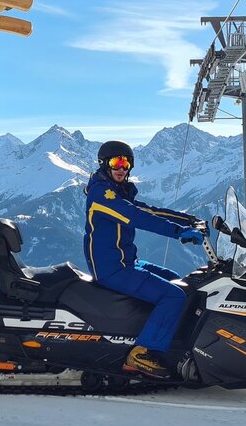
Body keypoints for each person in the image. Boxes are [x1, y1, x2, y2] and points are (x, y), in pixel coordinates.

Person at [83, 140, 204, 378]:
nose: (121, 168)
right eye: (116, 162)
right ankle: (142, 353)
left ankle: (165, 337)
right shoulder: (102, 195)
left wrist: (188, 220)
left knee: (177, 280)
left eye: (126, 163)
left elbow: (149, 210)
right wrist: (178, 232)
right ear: (104, 164)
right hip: (111, 268)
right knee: (173, 295)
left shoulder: (117, 190)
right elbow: (136, 217)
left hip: (126, 262)